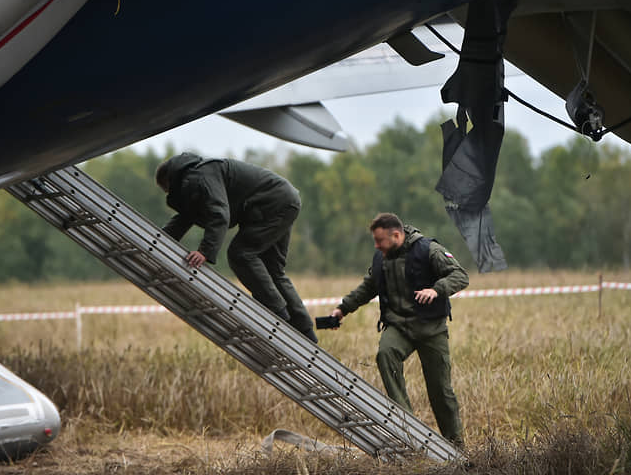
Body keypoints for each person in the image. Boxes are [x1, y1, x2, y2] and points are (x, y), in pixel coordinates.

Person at [330, 212, 468, 446]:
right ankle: (408, 428)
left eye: (380, 240)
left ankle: (456, 447)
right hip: (399, 327)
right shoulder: (381, 257)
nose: (376, 245)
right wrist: (343, 309)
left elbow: (460, 275)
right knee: (385, 353)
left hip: (431, 329)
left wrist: (436, 290)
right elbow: (368, 287)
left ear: (396, 235)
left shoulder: (428, 249)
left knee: (441, 392)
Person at [156, 152, 318, 343]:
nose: (169, 194)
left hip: (272, 203)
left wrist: (204, 251)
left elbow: (219, 213)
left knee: (241, 254)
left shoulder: (200, 176)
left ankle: (276, 315)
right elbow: (185, 218)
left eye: (167, 190)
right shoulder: (198, 177)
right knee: (273, 270)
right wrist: (158, 242)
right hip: (283, 199)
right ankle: (305, 332)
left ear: (170, 179)